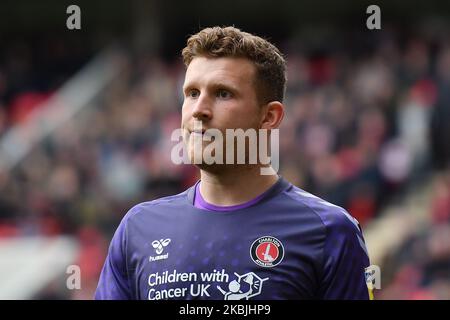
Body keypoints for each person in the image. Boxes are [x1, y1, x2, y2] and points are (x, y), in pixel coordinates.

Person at [95, 26, 371, 300]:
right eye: (192, 93)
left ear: (269, 117)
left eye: (223, 93)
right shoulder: (138, 228)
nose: (199, 110)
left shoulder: (329, 231)